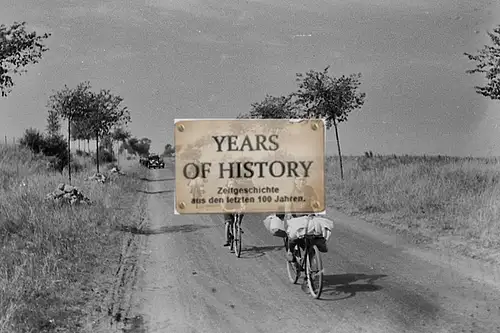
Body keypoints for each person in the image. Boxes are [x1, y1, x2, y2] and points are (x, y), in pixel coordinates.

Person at [283, 177, 324, 262]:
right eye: (299, 180)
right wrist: (289, 214)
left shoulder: (309, 189)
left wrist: (316, 204)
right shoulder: (291, 191)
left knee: (318, 230)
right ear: (295, 181)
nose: (302, 182)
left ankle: (318, 247)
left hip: (308, 216)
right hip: (295, 218)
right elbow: (288, 204)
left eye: (303, 180)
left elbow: (314, 200)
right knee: (293, 236)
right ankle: (290, 252)